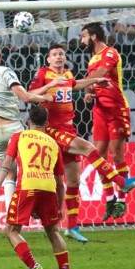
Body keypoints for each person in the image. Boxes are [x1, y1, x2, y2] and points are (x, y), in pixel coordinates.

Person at [28, 44, 109, 243]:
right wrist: (50, 85)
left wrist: (96, 80)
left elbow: (76, 84)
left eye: (61, 54)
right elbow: (31, 94)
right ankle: (119, 182)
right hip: (51, 132)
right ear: (48, 59)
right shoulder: (43, 73)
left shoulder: (67, 74)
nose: (58, 57)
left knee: (73, 182)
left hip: (69, 130)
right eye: (54, 54)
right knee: (53, 179)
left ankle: (72, 226)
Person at [0, 106, 70, 269]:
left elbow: (7, 164)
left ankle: (33, 265)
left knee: (11, 231)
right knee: (53, 232)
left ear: (28, 121)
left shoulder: (19, 136)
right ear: (47, 124)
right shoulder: (53, 143)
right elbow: (59, 182)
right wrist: (59, 206)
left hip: (28, 186)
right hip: (48, 188)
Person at [0, 42, 55, 210]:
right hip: (13, 128)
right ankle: (37, 206)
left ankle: (11, 213)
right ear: (0, 56)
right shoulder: (5, 71)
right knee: (31, 167)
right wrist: (45, 98)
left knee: (9, 170)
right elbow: (25, 97)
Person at [81, 22, 135, 220]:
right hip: (99, 110)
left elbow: (99, 75)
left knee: (116, 154)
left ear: (93, 36)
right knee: (99, 155)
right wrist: (87, 92)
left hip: (116, 109)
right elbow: (90, 84)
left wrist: (78, 83)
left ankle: (121, 200)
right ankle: (109, 199)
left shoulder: (110, 53)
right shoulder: (91, 61)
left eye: (83, 36)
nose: (81, 40)